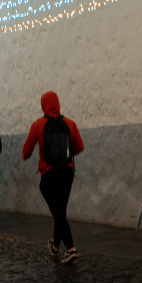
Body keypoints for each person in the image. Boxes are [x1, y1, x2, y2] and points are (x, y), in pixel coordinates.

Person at [22, 91, 84, 264]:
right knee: (60, 209)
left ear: (43, 105)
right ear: (58, 104)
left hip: (48, 174)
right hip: (67, 173)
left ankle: (71, 249)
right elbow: (79, 147)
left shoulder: (38, 125)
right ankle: (56, 246)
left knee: (58, 211)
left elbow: (26, 153)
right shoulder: (70, 124)